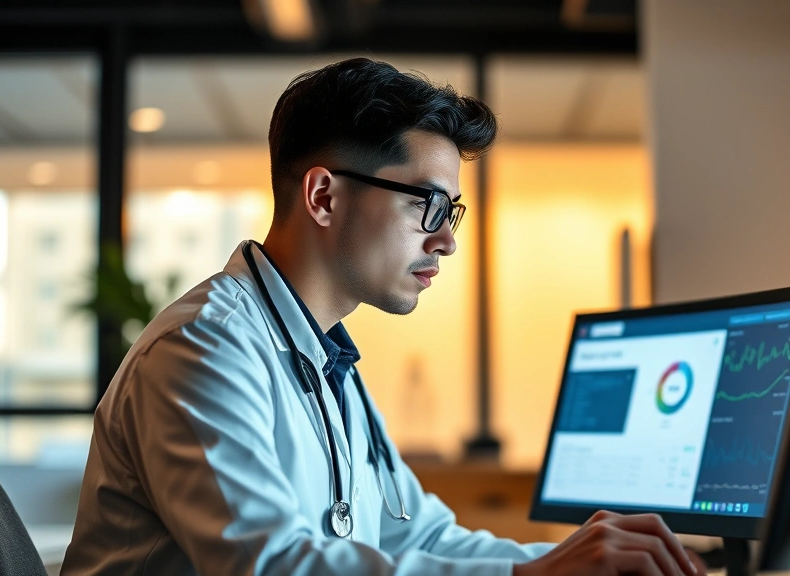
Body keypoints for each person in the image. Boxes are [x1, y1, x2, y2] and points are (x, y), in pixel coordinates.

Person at [61, 57, 707, 576]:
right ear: (323, 196)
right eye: (427, 205)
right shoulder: (203, 350)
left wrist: (573, 563)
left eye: (450, 213)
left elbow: (419, 532)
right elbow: (266, 564)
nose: (447, 240)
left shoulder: (327, 359)